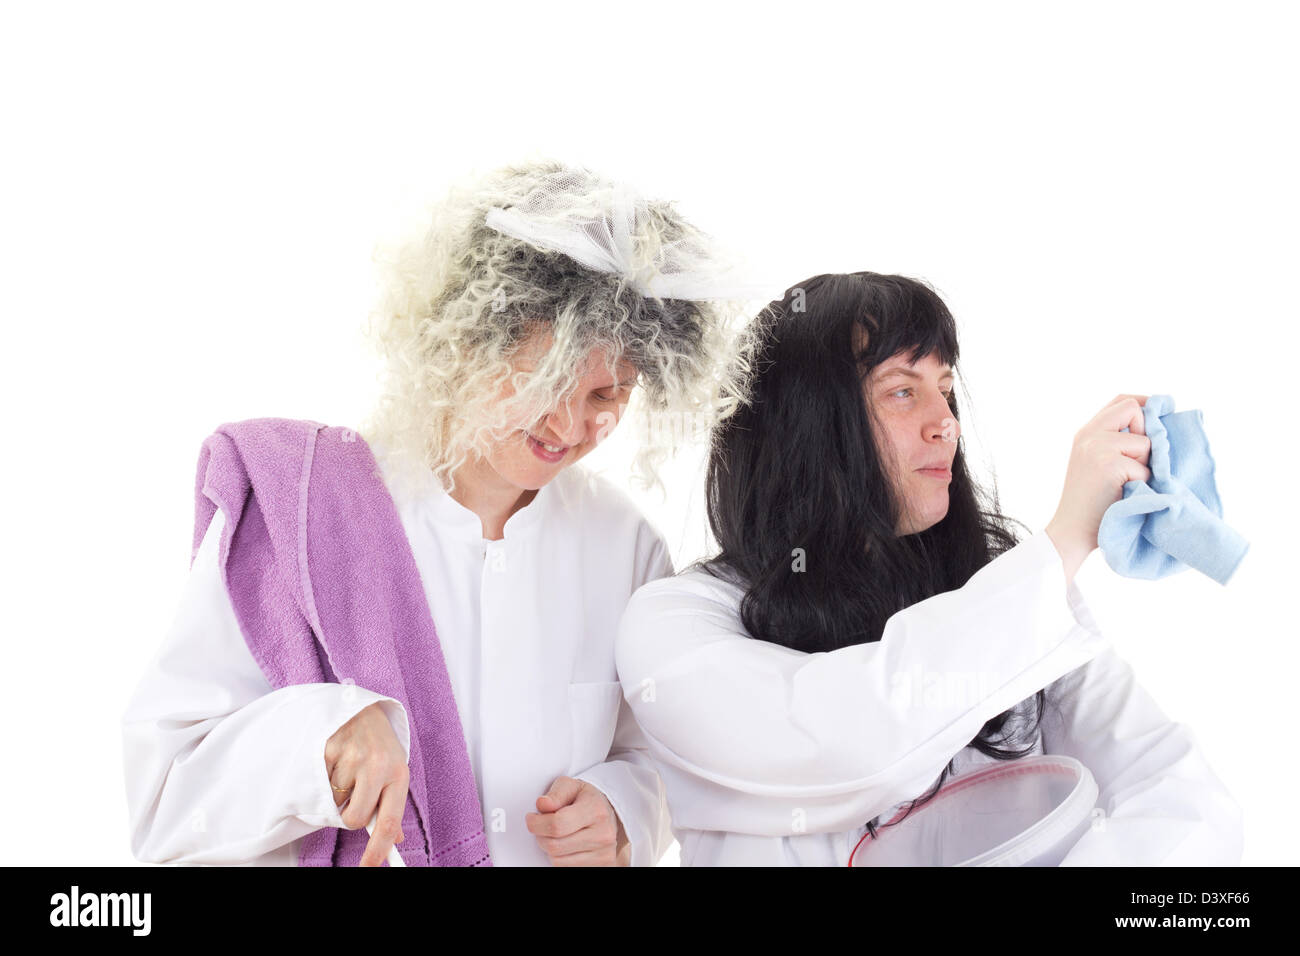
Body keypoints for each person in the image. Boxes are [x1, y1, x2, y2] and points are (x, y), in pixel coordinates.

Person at [121, 160, 756, 866]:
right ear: (468, 342)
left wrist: (625, 810)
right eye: (547, 380)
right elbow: (168, 803)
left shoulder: (625, 544)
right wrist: (323, 735)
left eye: (608, 397)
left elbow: (666, 758)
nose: (571, 425)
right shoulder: (295, 510)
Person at [615, 271, 1244, 866]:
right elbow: (847, 744)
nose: (945, 423)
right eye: (901, 390)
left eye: (944, 389)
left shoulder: (1017, 596)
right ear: (806, 425)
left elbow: (1179, 796)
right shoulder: (675, 624)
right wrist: (1066, 541)